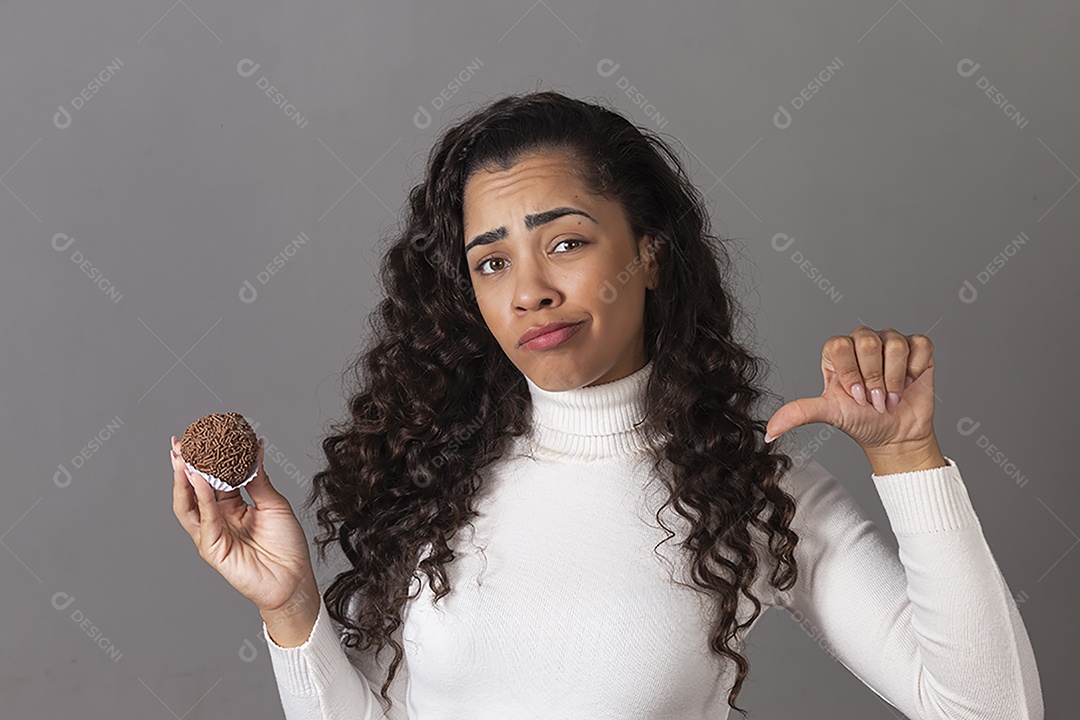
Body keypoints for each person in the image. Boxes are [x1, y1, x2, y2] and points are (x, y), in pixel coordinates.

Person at [170, 90, 1043, 719]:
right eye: (492, 261)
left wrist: (906, 457)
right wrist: (290, 614)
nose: (531, 291)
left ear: (650, 254)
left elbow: (992, 709)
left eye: (568, 242)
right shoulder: (435, 477)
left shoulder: (752, 489)